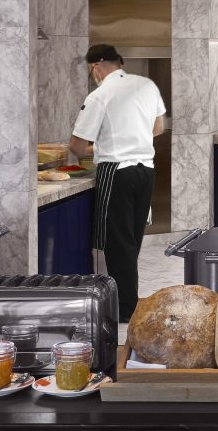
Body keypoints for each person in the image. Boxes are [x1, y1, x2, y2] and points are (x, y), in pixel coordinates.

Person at [69, 44, 167, 321]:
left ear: (96, 66)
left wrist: (95, 149)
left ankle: (125, 309)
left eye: (91, 71)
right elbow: (158, 128)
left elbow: (77, 145)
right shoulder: (146, 85)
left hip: (117, 171)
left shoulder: (100, 95)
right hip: (146, 170)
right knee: (132, 238)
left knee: (117, 242)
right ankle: (129, 301)